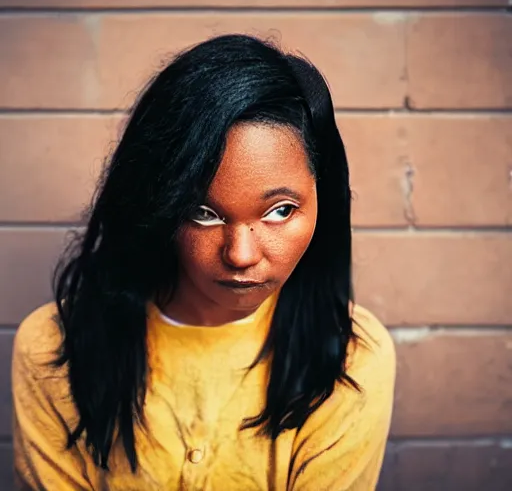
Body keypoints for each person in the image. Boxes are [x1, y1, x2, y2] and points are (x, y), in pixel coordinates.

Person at [12, 34, 396, 490]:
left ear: (322, 202)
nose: (241, 254)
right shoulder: (54, 347)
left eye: (280, 211)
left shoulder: (351, 357)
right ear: (158, 205)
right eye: (203, 212)